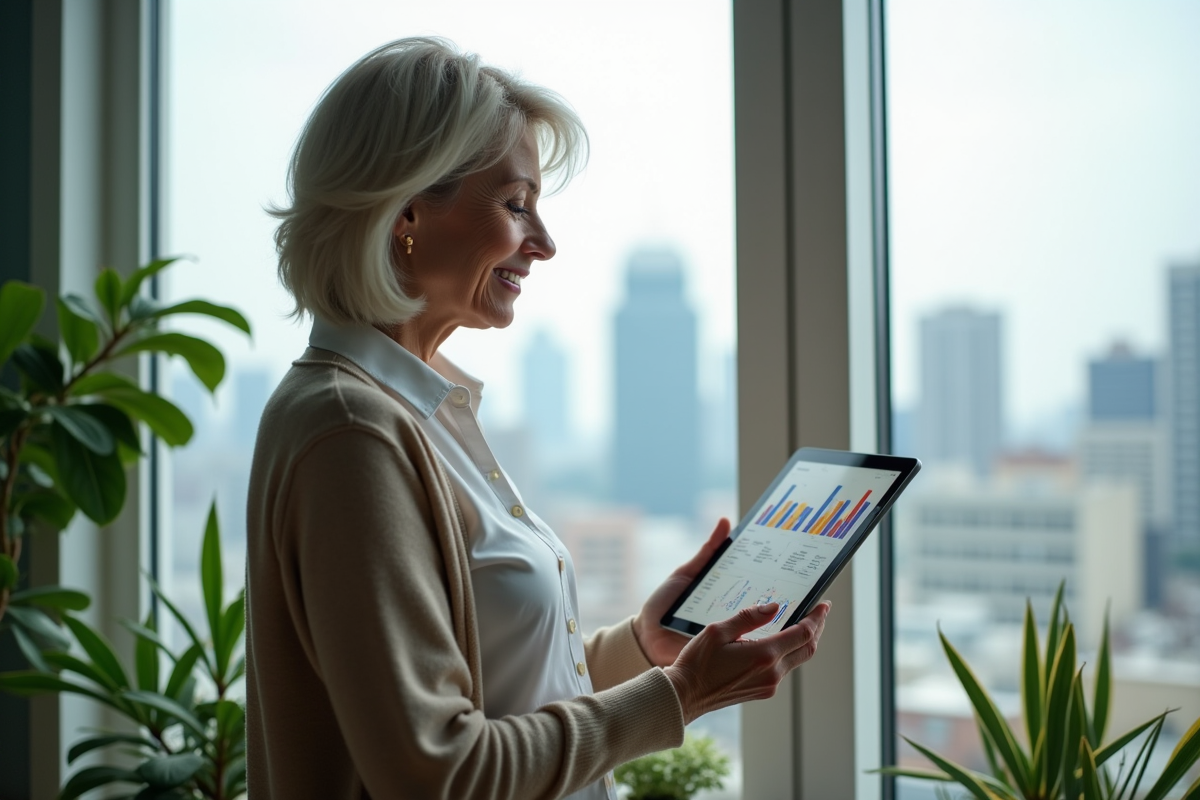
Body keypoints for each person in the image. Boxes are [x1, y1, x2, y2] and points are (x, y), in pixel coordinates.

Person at [245, 37, 831, 800]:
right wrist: (680, 697)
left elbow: (495, 683)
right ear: (407, 210)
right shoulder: (351, 430)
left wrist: (638, 650)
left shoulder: (421, 407)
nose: (545, 244)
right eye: (517, 205)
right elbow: (440, 770)